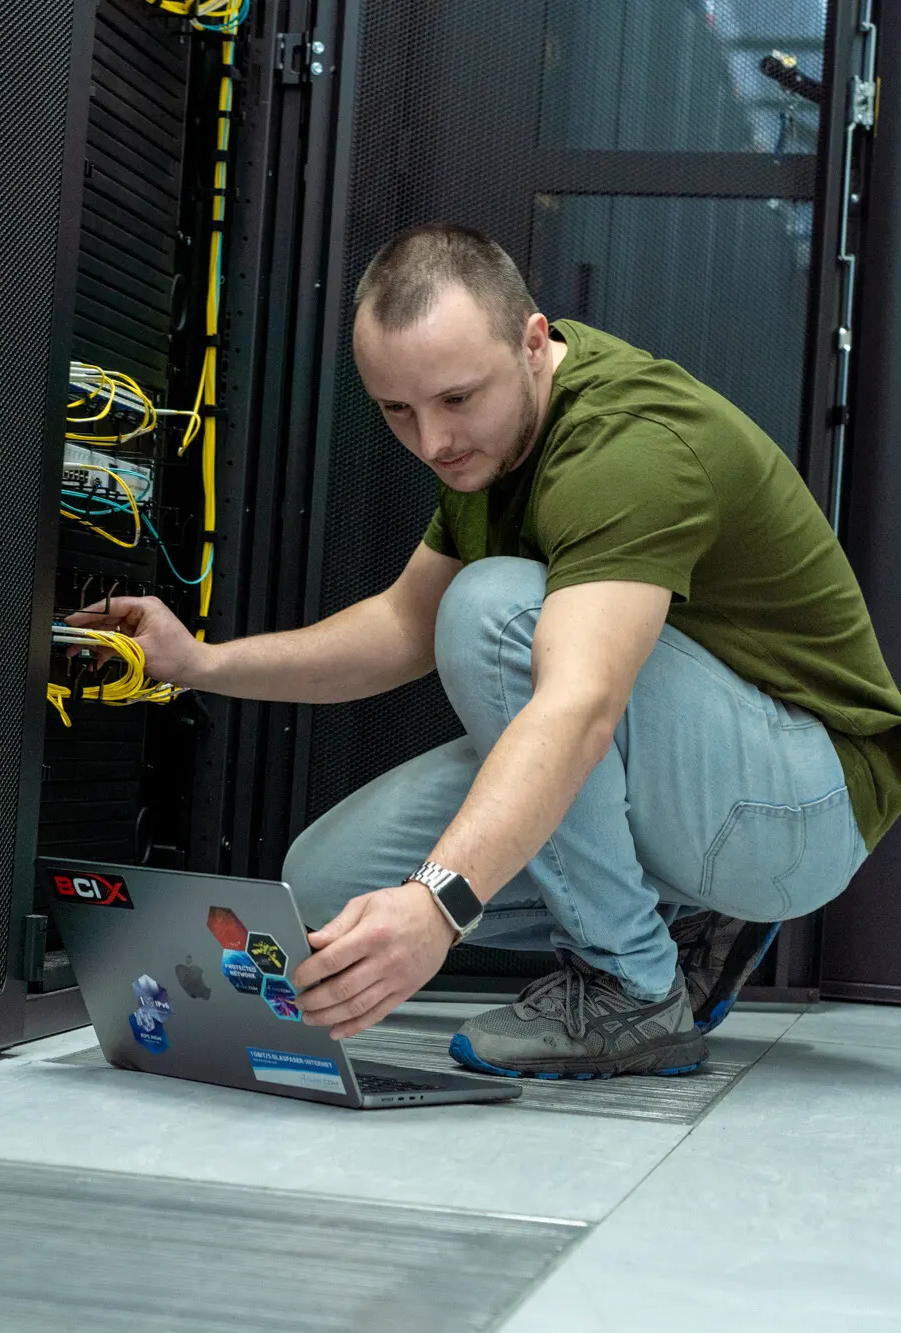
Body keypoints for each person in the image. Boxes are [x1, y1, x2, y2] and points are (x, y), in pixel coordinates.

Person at [69, 223, 901, 1080]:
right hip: (689, 772)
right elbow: (400, 626)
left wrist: (438, 904)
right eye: (399, 410)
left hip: (801, 802)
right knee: (327, 890)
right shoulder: (491, 444)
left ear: (535, 342)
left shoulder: (627, 448)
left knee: (492, 610)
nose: (432, 442)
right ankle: (684, 910)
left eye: (457, 400)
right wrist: (197, 662)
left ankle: (631, 988)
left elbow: (579, 704)